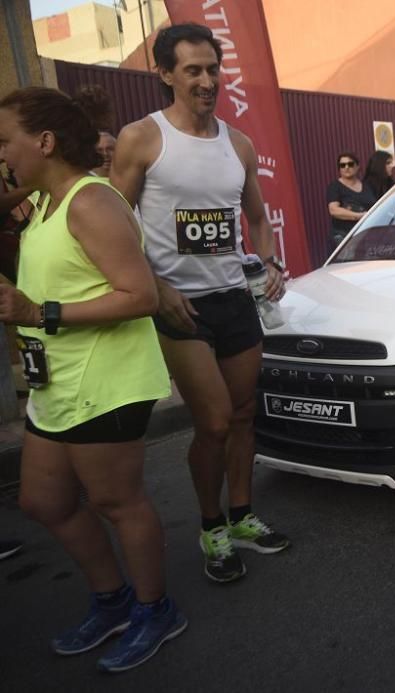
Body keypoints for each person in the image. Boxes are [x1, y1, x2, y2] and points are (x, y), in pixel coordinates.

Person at [0, 86, 186, 671]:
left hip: (104, 380)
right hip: (56, 380)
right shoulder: (44, 200)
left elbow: (141, 295)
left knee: (115, 500)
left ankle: (156, 610)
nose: (1, 153)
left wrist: (39, 314)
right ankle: (113, 600)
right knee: (43, 500)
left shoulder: (90, 202)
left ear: (45, 141)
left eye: (6, 140)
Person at [111, 23, 290, 584]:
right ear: (166, 74)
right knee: (212, 421)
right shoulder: (142, 138)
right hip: (177, 308)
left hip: (233, 298)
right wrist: (156, 289)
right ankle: (210, 523)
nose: (207, 80)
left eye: (213, 68)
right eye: (193, 70)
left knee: (241, 416)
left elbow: (257, 217)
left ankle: (241, 516)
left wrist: (270, 263)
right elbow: (112, 226)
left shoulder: (237, 143)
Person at [326, 150, 375, 252]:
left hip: (365, 235)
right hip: (344, 237)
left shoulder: (367, 186)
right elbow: (334, 210)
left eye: (350, 164)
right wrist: (359, 216)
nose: (346, 167)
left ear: (357, 166)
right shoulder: (335, 187)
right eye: (342, 165)